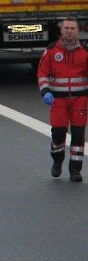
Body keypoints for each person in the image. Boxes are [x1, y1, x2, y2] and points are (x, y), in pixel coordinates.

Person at [37, 17, 88, 181]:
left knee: (78, 135)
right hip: (58, 100)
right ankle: (57, 160)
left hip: (79, 99)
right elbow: (42, 72)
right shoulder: (52, 51)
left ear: (78, 30)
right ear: (61, 30)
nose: (69, 31)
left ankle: (75, 170)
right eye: (66, 28)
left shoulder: (85, 51)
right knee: (58, 133)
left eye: (72, 28)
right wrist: (45, 91)